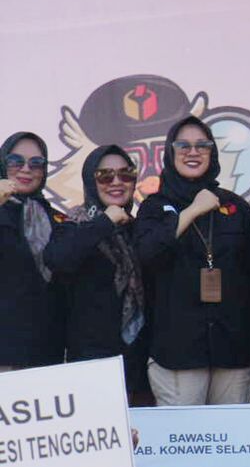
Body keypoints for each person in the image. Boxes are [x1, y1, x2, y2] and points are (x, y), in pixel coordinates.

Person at [135, 115, 250, 406]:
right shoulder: (153, 208)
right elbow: (147, 254)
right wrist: (192, 211)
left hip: (234, 347)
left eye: (202, 145)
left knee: (231, 433)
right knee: (184, 434)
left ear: (213, 152)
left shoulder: (236, 207)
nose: (193, 152)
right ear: (170, 153)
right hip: (178, 352)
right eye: (183, 146)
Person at [44, 144, 149, 401]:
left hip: (139, 364)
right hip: (91, 364)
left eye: (125, 174)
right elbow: (58, 259)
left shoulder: (139, 229)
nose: (117, 182)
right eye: (105, 176)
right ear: (91, 181)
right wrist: (105, 222)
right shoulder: (73, 225)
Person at [0, 131, 63, 370]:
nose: (26, 169)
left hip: (46, 351)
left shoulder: (51, 216)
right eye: (15, 161)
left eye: (36, 163)